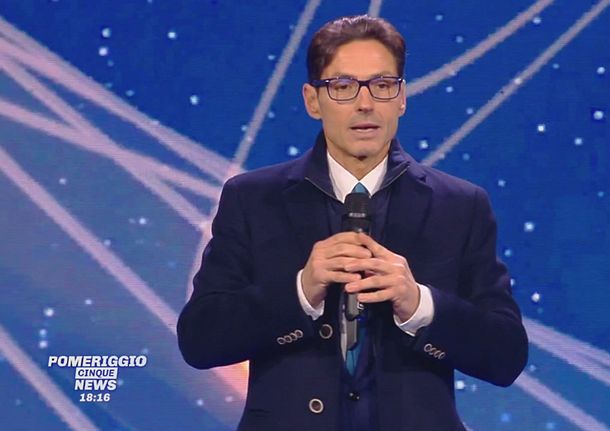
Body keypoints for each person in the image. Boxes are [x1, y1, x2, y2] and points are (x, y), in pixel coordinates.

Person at [177, 14, 528, 431]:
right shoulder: (253, 199)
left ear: (401, 98)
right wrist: (300, 291)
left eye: (382, 85)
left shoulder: (460, 205)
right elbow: (200, 339)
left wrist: (420, 304)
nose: (365, 103)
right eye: (343, 86)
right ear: (312, 100)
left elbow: (506, 355)